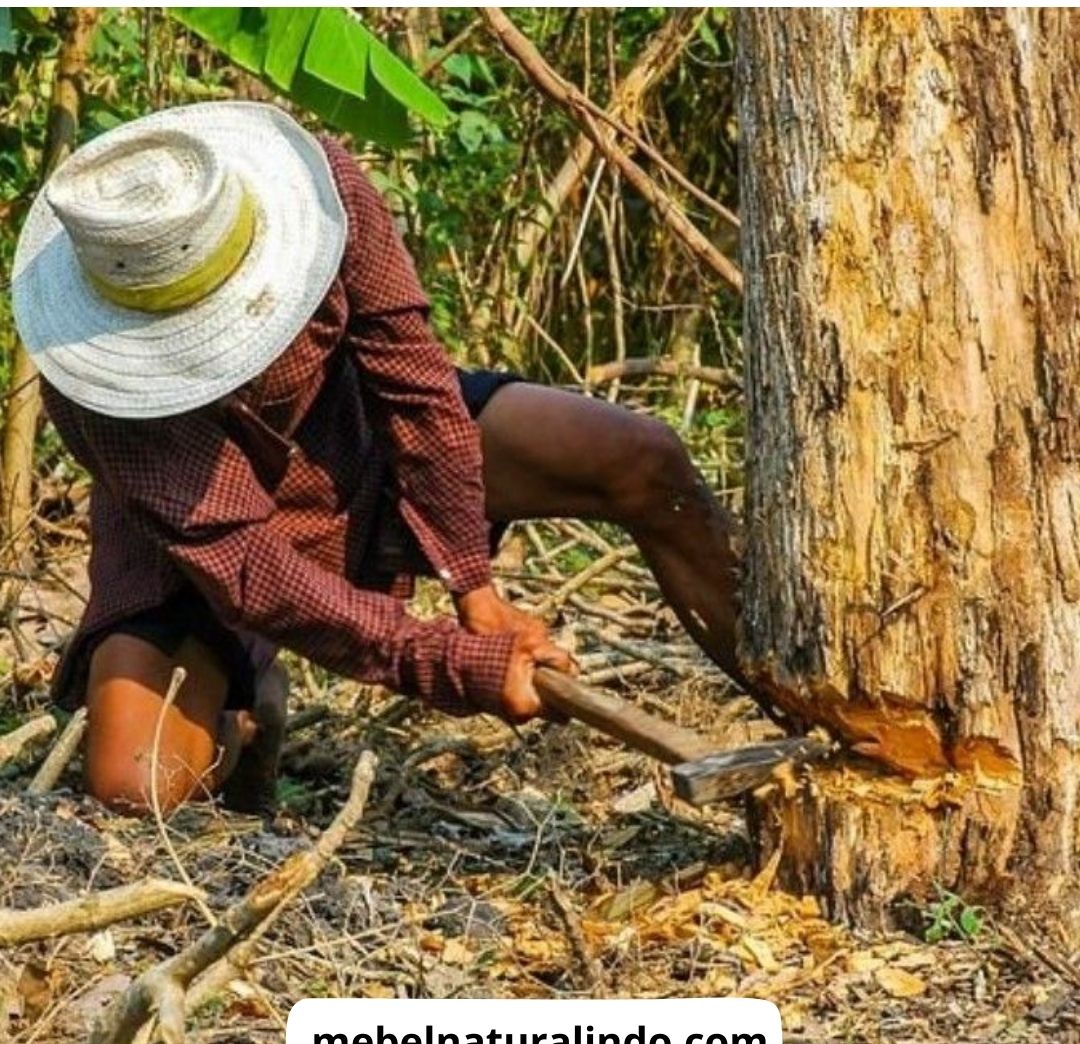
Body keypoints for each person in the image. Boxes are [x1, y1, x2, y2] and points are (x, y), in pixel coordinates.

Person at [12, 102, 743, 815]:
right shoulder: (93, 389)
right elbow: (243, 566)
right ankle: (245, 696)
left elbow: (419, 390)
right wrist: (452, 664)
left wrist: (475, 591)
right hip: (203, 549)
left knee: (641, 458)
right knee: (134, 785)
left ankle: (812, 700)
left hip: (360, 444)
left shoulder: (326, 195)